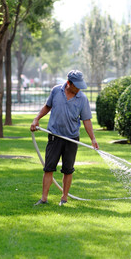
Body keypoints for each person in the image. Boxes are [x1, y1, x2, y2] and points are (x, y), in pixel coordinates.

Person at [30, 70, 99, 206]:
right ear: (69, 83)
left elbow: (87, 121)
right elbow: (47, 106)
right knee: (48, 168)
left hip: (71, 139)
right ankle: (44, 199)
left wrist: (93, 139)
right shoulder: (56, 91)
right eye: (76, 85)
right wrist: (36, 119)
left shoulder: (82, 99)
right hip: (55, 136)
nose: (79, 88)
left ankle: (64, 198)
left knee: (68, 169)